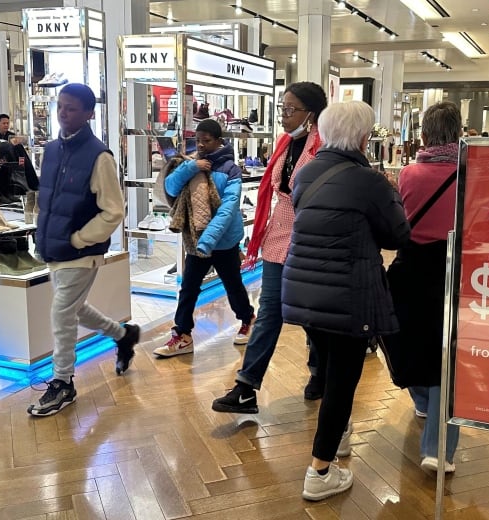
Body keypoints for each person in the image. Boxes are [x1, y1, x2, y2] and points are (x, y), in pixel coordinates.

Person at [282, 100, 410, 500]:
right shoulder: (368, 181)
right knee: (343, 379)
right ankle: (319, 472)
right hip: (349, 295)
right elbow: (397, 236)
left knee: (329, 370)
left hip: (303, 289)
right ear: (363, 136)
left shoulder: (305, 174)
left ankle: (336, 440)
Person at [211, 81, 329, 413]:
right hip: (279, 235)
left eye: (290, 110)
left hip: (310, 238)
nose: (284, 116)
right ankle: (246, 387)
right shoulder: (284, 144)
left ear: (311, 114)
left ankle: (320, 370)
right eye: (282, 108)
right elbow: (276, 188)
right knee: (270, 311)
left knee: (310, 314)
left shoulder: (325, 146)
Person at [27, 83, 141, 417]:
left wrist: (79, 239)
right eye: (60, 106)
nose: (63, 112)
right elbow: (46, 200)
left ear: (89, 113)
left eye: (72, 108)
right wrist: (42, 234)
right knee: (73, 308)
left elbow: (114, 210)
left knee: (62, 312)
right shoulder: (50, 151)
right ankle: (123, 335)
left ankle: (63, 382)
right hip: (53, 249)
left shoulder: (99, 156)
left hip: (81, 252)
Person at [394, 100, 461, 473]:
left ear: (424, 134)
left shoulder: (408, 174)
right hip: (454, 270)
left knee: (410, 343)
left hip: (411, 268)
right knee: (446, 357)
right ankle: (439, 449)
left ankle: (422, 400)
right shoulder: (472, 173)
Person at [152, 119, 255, 357]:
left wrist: (208, 240)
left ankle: (247, 318)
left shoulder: (231, 169)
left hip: (224, 240)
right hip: (196, 240)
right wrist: (192, 168)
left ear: (219, 141)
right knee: (188, 288)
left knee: (233, 284)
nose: (201, 145)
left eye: (206, 141)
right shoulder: (191, 163)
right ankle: (183, 335)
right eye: (197, 140)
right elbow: (170, 187)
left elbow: (228, 209)